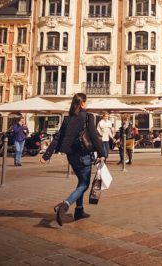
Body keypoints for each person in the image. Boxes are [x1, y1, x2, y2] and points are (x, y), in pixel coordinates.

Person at [40, 93, 105, 226]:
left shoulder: (67, 118)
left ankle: (79, 210)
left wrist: (46, 156)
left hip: (71, 156)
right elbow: (93, 136)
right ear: (82, 103)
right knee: (84, 184)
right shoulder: (88, 117)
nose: (86, 104)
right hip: (84, 155)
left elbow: (58, 138)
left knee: (80, 182)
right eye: (86, 102)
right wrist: (102, 153)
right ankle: (64, 205)